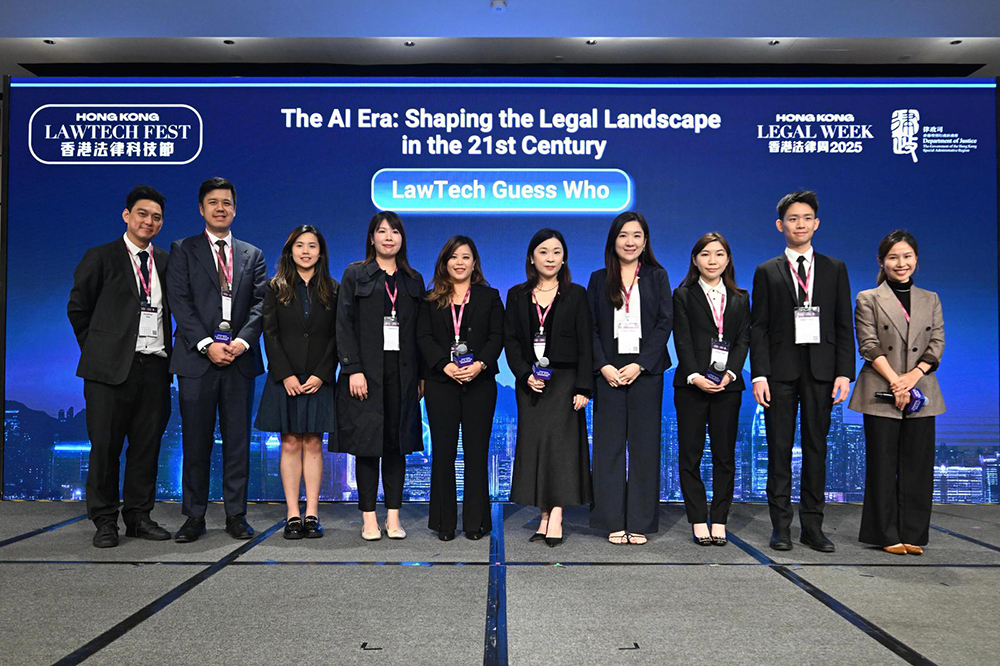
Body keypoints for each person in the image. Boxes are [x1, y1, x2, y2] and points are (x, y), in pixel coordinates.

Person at [68, 185, 173, 548]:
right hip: (108, 371)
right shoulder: (101, 257)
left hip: (155, 367)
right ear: (127, 215)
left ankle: (139, 517)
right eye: (142, 214)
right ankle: (104, 521)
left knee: (146, 447)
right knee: (105, 447)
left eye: (156, 217)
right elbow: (78, 308)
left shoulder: (166, 262)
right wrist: (100, 350)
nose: (149, 221)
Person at [750, 190, 855, 553]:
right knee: (778, 450)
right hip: (779, 372)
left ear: (817, 223)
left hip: (822, 372)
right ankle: (781, 527)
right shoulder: (767, 270)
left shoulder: (835, 268)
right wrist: (759, 375)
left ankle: (813, 527)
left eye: (807, 218)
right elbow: (759, 327)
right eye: (793, 219)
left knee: (816, 449)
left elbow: (843, 324)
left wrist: (844, 372)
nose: (800, 224)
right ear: (780, 225)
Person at [166, 177, 267, 543]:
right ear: (201, 208)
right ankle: (194, 516)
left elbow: (261, 304)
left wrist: (240, 342)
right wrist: (207, 344)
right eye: (213, 202)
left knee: (238, 442)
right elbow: (179, 301)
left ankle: (236, 515)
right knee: (196, 442)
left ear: (235, 209)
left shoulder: (252, 255)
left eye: (226, 202)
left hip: (239, 360)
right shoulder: (183, 249)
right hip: (197, 361)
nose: (220, 208)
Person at [850, 230, 944, 555]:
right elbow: (868, 344)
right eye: (893, 257)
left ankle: (913, 533)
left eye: (907, 256)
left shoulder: (931, 298)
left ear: (916, 259)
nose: (901, 263)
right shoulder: (868, 298)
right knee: (882, 463)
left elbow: (937, 343)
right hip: (880, 387)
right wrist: (896, 381)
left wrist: (913, 377)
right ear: (881, 261)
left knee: (918, 465)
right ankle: (885, 533)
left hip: (922, 389)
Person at [335, 211, 425, 541]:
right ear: (371, 238)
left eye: (395, 231)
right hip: (365, 375)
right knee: (367, 446)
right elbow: (343, 324)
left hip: (403, 375)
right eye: (382, 231)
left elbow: (420, 332)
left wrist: (421, 376)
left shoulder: (413, 279)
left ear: (402, 238)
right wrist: (353, 369)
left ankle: (394, 517)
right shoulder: (355, 274)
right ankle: (369, 518)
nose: (389, 237)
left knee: (396, 446)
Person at [587, 212, 672, 546]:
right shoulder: (598, 279)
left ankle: (639, 521)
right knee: (608, 448)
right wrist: (603, 366)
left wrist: (641, 364)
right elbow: (590, 327)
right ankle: (610, 520)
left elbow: (665, 322)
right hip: (608, 371)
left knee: (644, 447)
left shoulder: (657, 276)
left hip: (645, 371)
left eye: (637, 235)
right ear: (613, 241)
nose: (630, 242)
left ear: (645, 241)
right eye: (624, 235)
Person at [505, 229, 593, 547]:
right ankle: (543, 515)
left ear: (564, 258)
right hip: (532, 383)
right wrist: (523, 374)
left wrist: (584, 387)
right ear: (532, 257)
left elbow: (586, 342)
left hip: (566, 383)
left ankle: (556, 515)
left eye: (556, 252)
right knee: (537, 449)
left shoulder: (576, 294)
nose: (550, 258)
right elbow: (511, 341)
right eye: (543, 251)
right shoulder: (516, 295)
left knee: (562, 451)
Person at [418, 236, 504, 541]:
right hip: (441, 383)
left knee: (476, 452)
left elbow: (497, 335)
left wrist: (480, 364)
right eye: (453, 257)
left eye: (465, 257)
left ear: (474, 263)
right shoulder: (430, 299)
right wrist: (444, 365)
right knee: (443, 452)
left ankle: (475, 522)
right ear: (444, 263)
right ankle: (444, 523)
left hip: (479, 383)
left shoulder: (489, 296)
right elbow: (423, 337)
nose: (459, 262)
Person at [256, 226, 339, 540]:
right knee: (290, 442)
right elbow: (270, 333)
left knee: (314, 443)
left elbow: (338, 335)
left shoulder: (333, 289)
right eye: (300, 245)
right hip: (285, 377)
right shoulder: (275, 288)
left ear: (321, 252)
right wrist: (285, 374)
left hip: (319, 376)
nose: (306, 251)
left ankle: (312, 513)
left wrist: (322, 373)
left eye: (312, 246)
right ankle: (292, 514)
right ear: (290, 250)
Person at [672, 233, 750, 547]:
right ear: (695, 260)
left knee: (724, 456)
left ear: (728, 259)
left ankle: (719, 518)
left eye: (719, 254)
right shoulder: (683, 294)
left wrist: (729, 375)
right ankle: (696, 519)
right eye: (705, 254)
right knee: (690, 455)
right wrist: (695, 375)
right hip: (691, 386)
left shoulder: (741, 297)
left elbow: (743, 339)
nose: (712, 260)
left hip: (728, 388)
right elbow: (682, 338)